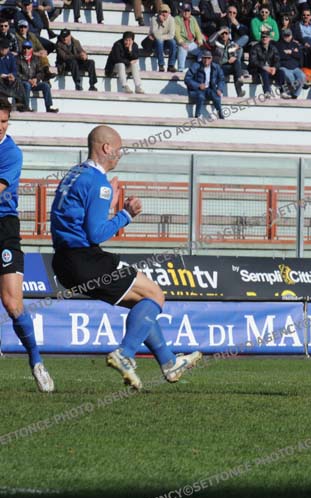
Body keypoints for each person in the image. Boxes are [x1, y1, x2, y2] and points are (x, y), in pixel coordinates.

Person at [50, 126, 202, 390]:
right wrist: (126, 214)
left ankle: (169, 361)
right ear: (106, 148)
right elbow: (96, 234)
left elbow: (75, 215)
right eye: (118, 149)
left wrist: (107, 202)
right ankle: (125, 353)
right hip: (85, 259)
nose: (120, 154)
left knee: (143, 302)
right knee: (155, 295)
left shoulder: (74, 174)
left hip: (63, 262)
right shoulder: (98, 183)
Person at [0, 97, 53, 391]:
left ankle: (36, 360)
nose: (1, 127)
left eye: (5, 121)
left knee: (12, 303)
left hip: (3, 227)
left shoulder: (11, 153)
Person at [17, 39, 57, 111]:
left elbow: (40, 72)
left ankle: (48, 107)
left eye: (28, 48)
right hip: (23, 82)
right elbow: (17, 73)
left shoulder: (36, 59)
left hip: (33, 82)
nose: (26, 50)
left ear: (32, 49)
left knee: (46, 85)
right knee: (27, 85)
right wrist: (28, 79)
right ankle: (26, 106)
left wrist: (36, 79)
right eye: (24, 48)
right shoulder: (17, 59)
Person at [185, 49, 224, 118]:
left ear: (211, 59)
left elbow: (221, 79)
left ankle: (220, 113)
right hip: (196, 90)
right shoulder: (196, 65)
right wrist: (198, 85)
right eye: (205, 58)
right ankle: (197, 114)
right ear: (202, 58)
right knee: (201, 96)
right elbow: (187, 79)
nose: (206, 60)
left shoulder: (216, 67)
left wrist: (220, 89)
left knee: (216, 96)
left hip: (209, 89)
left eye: (208, 58)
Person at [211, 27, 245, 96]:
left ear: (229, 34)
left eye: (226, 33)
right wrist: (219, 32)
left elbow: (235, 54)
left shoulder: (231, 44)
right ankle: (239, 90)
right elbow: (210, 41)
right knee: (236, 69)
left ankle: (239, 81)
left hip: (227, 66)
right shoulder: (216, 43)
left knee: (236, 63)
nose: (224, 35)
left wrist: (234, 57)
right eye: (222, 33)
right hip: (219, 66)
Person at [249, 30, 282, 95]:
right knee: (264, 72)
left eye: (266, 37)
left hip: (270, 69)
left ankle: (283, 91)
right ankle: (267, 92)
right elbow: (253, 61)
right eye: (263, 37)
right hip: (258, 69)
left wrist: (274, 68)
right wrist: (264, 67)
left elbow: (277, 60)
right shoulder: (255, 47)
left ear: (269, 38)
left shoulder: (273, 48)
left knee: (281, 72)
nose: (264, 38)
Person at [277, 27, 305, 98]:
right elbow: (280, 56)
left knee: (302, 77)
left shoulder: (295, 44)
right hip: (284, 67)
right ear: (282, 35)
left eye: (288, 35)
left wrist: (290, 52)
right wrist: (294, 53)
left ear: (291, 35)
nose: (287, 37)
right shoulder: (278, 45)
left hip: (295, 67)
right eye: (285, 35)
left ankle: (295, 95)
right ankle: (290, 93)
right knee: (291, 78)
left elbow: (300, 55)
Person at [175, 2, 203, 72]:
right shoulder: (177, 19)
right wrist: (181, 42)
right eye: (184, 10)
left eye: (188, 11)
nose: (186, 12)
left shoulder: (193, 19)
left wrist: (200, 40)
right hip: (182, 42)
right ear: (181, 11)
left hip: (191, 43)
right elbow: (177, 33)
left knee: (202, 53)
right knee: (182, 49)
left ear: (190, 12)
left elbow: (197, 31)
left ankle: (197, 69)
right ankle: (180, 70)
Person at [149, 5, 177, 72]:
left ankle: (171, 65)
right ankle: (161, 65)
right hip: (155, 42)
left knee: (173, 42)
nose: (164, 14)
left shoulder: (171, 19)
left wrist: (161, 37)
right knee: (159, 41)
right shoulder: (154, 19)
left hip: (166, 41)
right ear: (159, 12)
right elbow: (155, 34)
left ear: (169, 12)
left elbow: (171, 35)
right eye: (162, 12)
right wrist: (161, 22)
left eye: (166, 12)